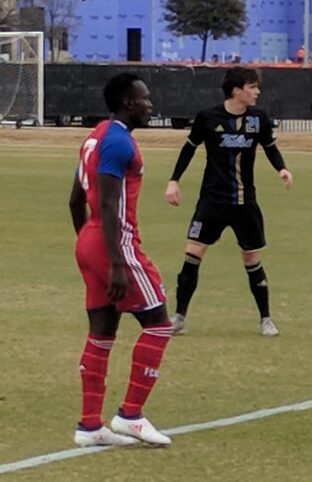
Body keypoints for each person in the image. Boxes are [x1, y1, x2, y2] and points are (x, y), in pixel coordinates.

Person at [69, 73, 173, 447]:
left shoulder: (96, 135)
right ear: (129, 103)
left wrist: (88, 245)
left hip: (90, 239)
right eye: (145, 99)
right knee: (159, 323)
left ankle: (89, 426)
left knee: (102, 332)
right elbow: (110, 204)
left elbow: (74, 199)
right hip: (116, 244)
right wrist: (114, 261)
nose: (151, 105)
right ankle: (130, 415)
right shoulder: (117, 141)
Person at [165, 66, 293, 337]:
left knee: (251, 258)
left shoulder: (259, 119)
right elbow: (189, 148)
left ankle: (265, 319)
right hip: (211, 201)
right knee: (193, 253)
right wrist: (173, 180)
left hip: (245, 203)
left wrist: (281, 168)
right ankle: (178, 317)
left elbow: (270, 148)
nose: (257, 91)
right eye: (252, 87)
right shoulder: (208, 118)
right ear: (237, 91)